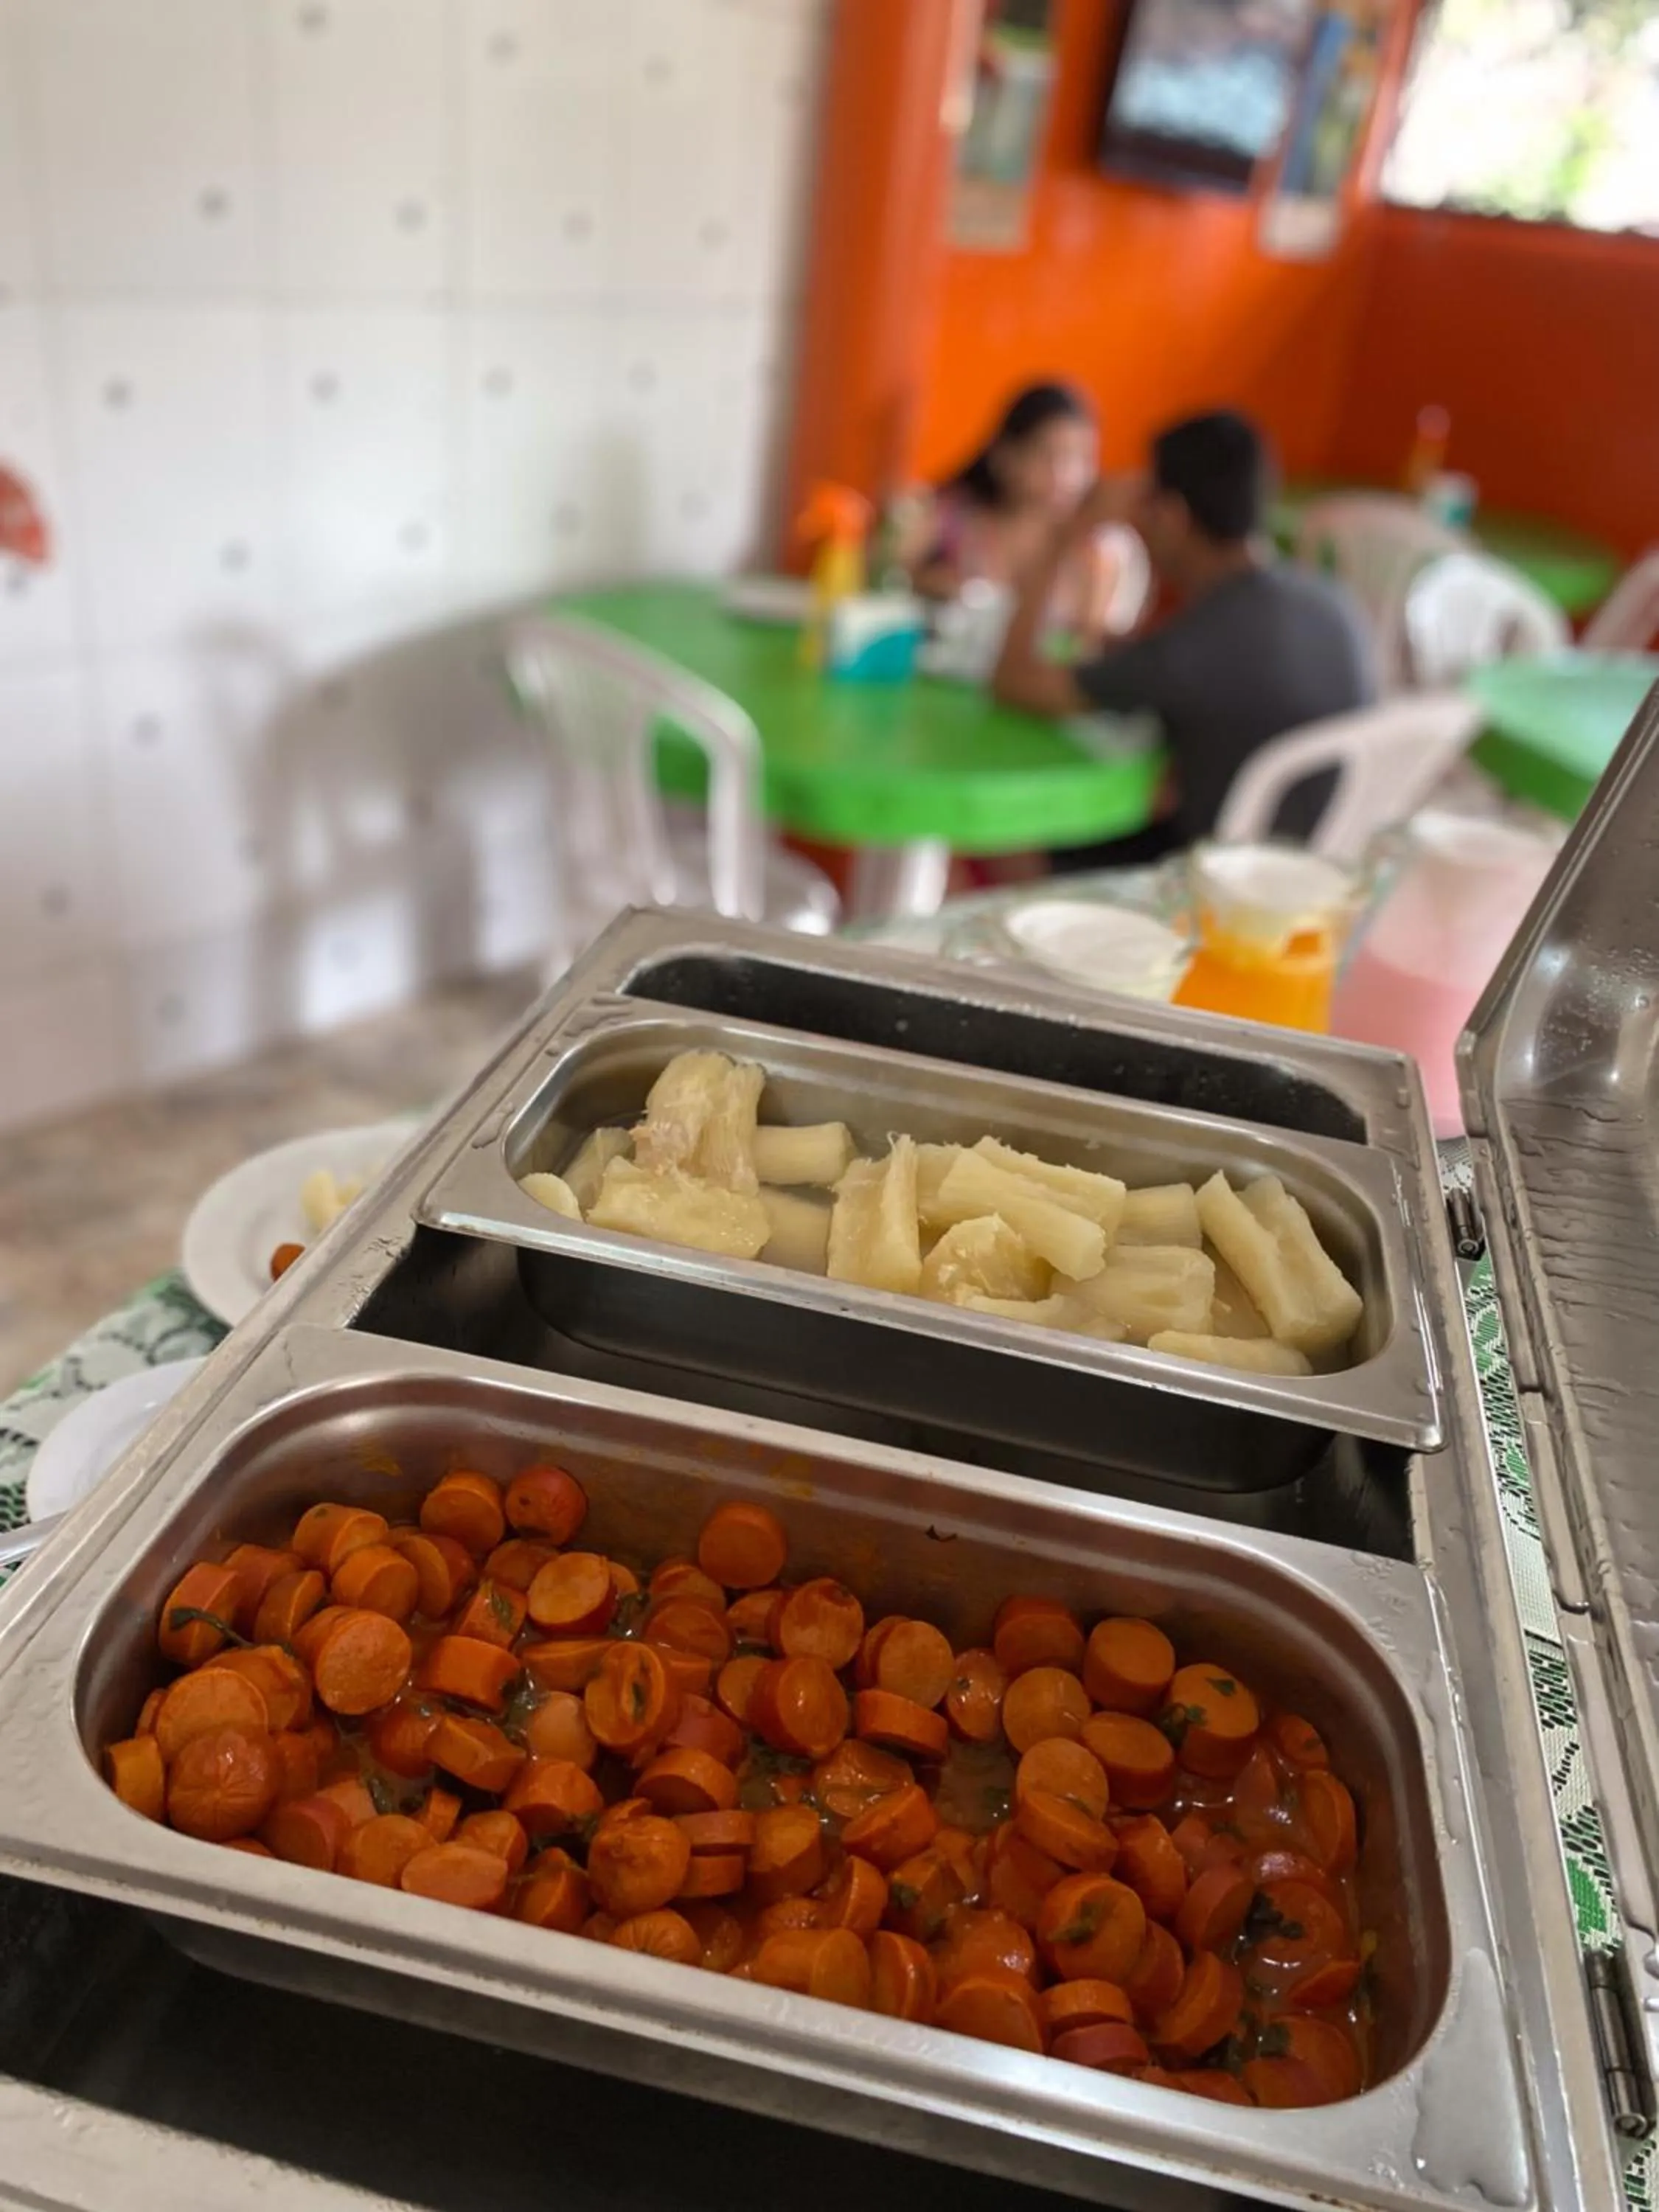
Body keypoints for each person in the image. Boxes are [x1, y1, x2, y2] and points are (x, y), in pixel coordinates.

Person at [991, 410, 1375, 857]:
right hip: (1317, 869)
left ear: (1171, 515)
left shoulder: (1191, 649)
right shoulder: (1332, 604)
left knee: (1011, 842)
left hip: (1213, 882)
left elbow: (1012, 681)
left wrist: (1069, 535)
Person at [912, 382, 1131, 639]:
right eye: (1049, 456)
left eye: (1081, 458)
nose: (1066, 477)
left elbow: (1089, 646)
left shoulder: (1098, 550)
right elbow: (890, 585)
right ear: (1004, 456)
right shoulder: (948, 522)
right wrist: (926, 583)